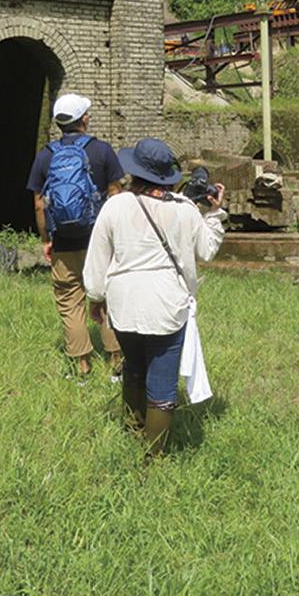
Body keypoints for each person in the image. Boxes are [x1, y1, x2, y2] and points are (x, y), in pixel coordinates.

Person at [82, 138, 225, 456]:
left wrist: (96, 297)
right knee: (161, 382)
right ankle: (153, 457)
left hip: (123, 304)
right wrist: (214, 215)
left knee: (133, 366)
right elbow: (207, 250)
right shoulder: (186, 209)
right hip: (167, 305)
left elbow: (97, 260)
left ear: (134, 172)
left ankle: (133, 433)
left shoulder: (115, 205)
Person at [27, 93, 124, 380]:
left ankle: (82, 367)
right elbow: (115, 194)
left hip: (65, 242)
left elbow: (39, 204)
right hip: (101, 242)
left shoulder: (45, 155)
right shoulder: (103, 151)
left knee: (70, 300)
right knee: (107, 297)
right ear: (84, 119)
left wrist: (47, 239)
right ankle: (116, 364)